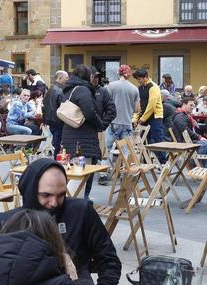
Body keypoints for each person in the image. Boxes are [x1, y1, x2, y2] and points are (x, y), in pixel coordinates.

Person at [59, 66, 105, 194]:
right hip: (82, 139)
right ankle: (72, 206)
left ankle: (72, 204)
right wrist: (100, 124)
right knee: (80, 175)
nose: (93, 78)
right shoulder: (83, 90)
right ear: (86, 76)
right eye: (91, 75)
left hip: (70, 135)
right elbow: (89, 112)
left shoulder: (69, 89)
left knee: (75, 174)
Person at [132, 69, 166, 158]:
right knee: (143, 139)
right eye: (137, 79)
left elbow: (151, 106)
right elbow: (139, 105)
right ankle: (146, 160)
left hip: (155, 117)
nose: (138, 81)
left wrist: (142, 119)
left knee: (157, 138)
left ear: (145, 77)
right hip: (144, 117)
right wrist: (135, 118)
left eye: (139, 79)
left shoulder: (153, 87)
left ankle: (163, 161)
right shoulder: (139, 88)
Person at [106, 65, 139, 155]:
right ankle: (125, 168)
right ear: (128, 75)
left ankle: (109, 168)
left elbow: (106, 104)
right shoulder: (135, 89)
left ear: (118, 73)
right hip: (127, 123)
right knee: (126, 150)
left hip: (113, 122)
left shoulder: (111, 86)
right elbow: (136, 109)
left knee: (109, 149)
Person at [43, 71, 68, 154]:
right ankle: (57, 163)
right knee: (58, 144)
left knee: (56, 143)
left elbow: (44, 105)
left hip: (51, 121)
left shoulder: (51, 89)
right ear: (60, 78)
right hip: (58, 121)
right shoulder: (59, 90)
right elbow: (63, 107)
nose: (67, 80)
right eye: (66, 78)